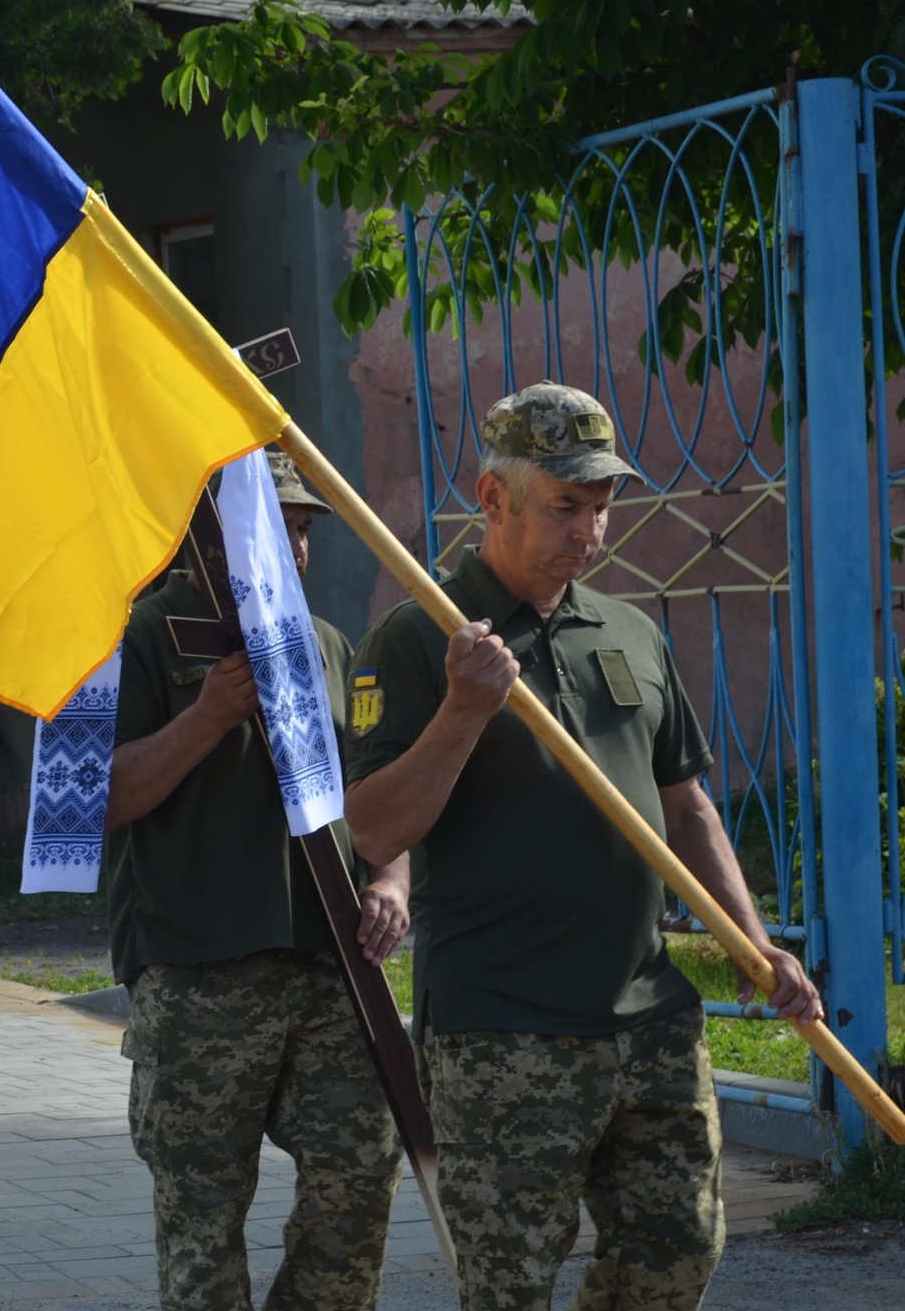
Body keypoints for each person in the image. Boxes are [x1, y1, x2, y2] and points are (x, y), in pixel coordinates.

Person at [346, 382, 823, 1311]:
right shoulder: (418, 638)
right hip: (504, 1028)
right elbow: (373, 827)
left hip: (649, 1014)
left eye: (602, 506)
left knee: (679, 1249)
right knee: (510, 1286)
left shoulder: (629, 630)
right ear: (494, 497)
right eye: (566, 505)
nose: (590, 531)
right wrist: (463, 710)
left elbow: (688, 808)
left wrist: (752, 941)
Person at [104, 447, 409, 1311]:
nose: (297, 550)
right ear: (209, 532)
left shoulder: (327, 643)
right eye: (278, 527)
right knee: (202, 1212)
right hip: (197, 967)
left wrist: (391, 879)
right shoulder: (138, 632)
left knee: (362, 1163)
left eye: (304, 531)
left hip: (328, 961)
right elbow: (100, 798)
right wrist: (207, 717)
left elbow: (373, 786)